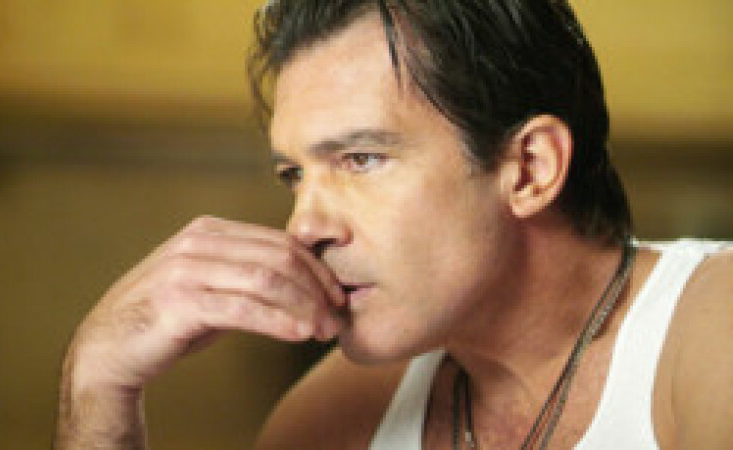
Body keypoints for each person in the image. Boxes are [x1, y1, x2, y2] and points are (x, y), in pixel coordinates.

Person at [54, 1, 733, 449]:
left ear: (530, 169)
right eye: (294, 175)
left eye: (361, 159)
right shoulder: (340, 415)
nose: (304, 227)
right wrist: (97, 387)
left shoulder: (711, 328)